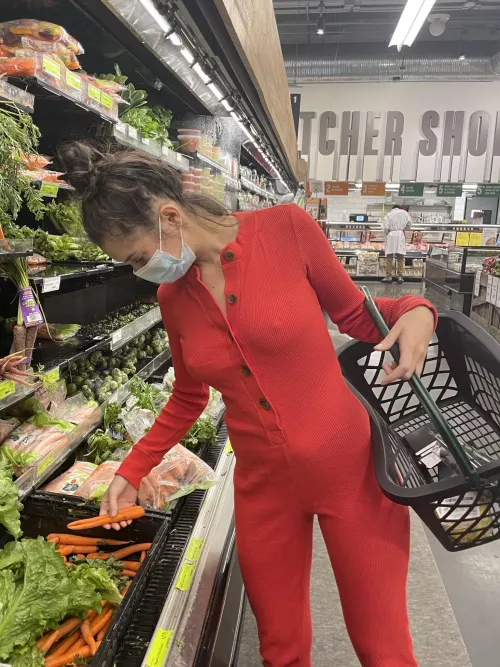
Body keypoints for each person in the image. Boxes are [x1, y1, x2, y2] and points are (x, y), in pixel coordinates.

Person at [60, 143, 436, 667]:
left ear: (170, 216)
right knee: (280, 650)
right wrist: (133, 467)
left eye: (140, 258)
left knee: (384, 649)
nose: (143, 272)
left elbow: (356, 313)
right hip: (264, 488)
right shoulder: (173, 297)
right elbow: (188, 396)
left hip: (350, 469)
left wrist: (418, 310)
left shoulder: (287, 229)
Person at [381, 204, 412, 284]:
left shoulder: (389, 214)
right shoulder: (404, 213)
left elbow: (385, 227)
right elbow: (409, 224)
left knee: (389, 257)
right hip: (400, 235)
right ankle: (400, 276)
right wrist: (403, 229)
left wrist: (387, 233)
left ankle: (388, 277)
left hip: (391, 235)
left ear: (392, 208)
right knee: (400, 257)